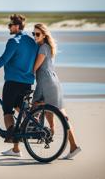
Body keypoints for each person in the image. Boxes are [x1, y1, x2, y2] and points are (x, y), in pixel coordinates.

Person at [0, 14, 39, 157]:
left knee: (7, 110)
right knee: (20, 109)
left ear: (16, 26)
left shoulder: (13, 41)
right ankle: (16, 149)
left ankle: (11, 135)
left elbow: (4, 59)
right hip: (28, 82)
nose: (8, 27)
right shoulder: (31, 41)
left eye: (10, 25)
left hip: (13, 83)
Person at [32, 23, 81, 159]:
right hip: (51, 83)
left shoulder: (43, 48)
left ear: (44, 35)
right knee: (52, 113)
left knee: (37, 107)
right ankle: (64, 141)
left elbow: (35, 67)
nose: (35, 36)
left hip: (46, 84)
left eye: (37, 34)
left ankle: (72, 145)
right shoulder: (45, 46)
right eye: (33, 34)